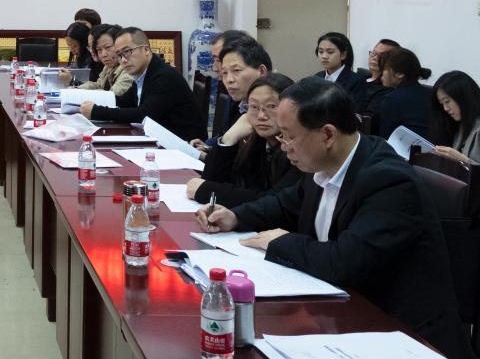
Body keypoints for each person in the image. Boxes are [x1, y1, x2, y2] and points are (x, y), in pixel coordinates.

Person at [196, 77, 471, 359]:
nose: (284, 146)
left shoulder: (388, 181)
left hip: (403, 335)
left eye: (289, 136)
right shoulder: (325, 164)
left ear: (328, 135)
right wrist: (235, 216)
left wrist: (280, 241)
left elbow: (344, 262)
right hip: (345, 315)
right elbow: (284, 204)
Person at [186, 73, 300, 208]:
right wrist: (228, 139)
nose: (261, 116)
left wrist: (207, 191)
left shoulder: (299, 150)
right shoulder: (254, 141)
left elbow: (274, 202)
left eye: (271, 106)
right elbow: (211, 179)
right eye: (254, 107)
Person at [81, 27, 205, 142]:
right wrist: (85, 101)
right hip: (161, 139)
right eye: (119, 55)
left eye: (127, 52)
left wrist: (96, 111)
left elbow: (143, 115)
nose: (123, 60)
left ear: (146, 49)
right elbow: (123, 101)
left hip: (186, 145)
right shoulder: (143, 73)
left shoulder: (164, 76)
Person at [191, 30, 255, 154]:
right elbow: (225, 134)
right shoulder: (235, 96)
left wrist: (211, 156)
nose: (215, 68)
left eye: (218, 59)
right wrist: (207, 146)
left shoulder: (267, 106)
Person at [71, 24, 136, 106]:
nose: (103, 54)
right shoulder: (109, 66)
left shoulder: (130, 68)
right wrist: (76, 90)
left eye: (108, 47)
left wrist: (83, 95)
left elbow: (112, 96)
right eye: (99, 50)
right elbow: (98, 85)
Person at [376, 47, 432, 139]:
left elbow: (385, 139)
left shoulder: (392, 99)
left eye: (384, 69)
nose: (381, 73)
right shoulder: (430, 93)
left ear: (400, 74)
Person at [431, 71, 480, 164]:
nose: (445, 108)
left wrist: (464, 160)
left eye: (447, 101)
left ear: (464, 97)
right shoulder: (461, 125)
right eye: (442, 104)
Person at [313, 32, 365, 104]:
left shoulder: (356, 81)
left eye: (330, 52)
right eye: (321, 52)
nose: (324, 56)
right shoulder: (317, 77)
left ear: (343, 55)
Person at [357, 38, 400, 119]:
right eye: (373, 53)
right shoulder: (360, 78)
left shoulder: (386, 88)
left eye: (382, 56)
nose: (375, 58)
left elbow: (368, 118)